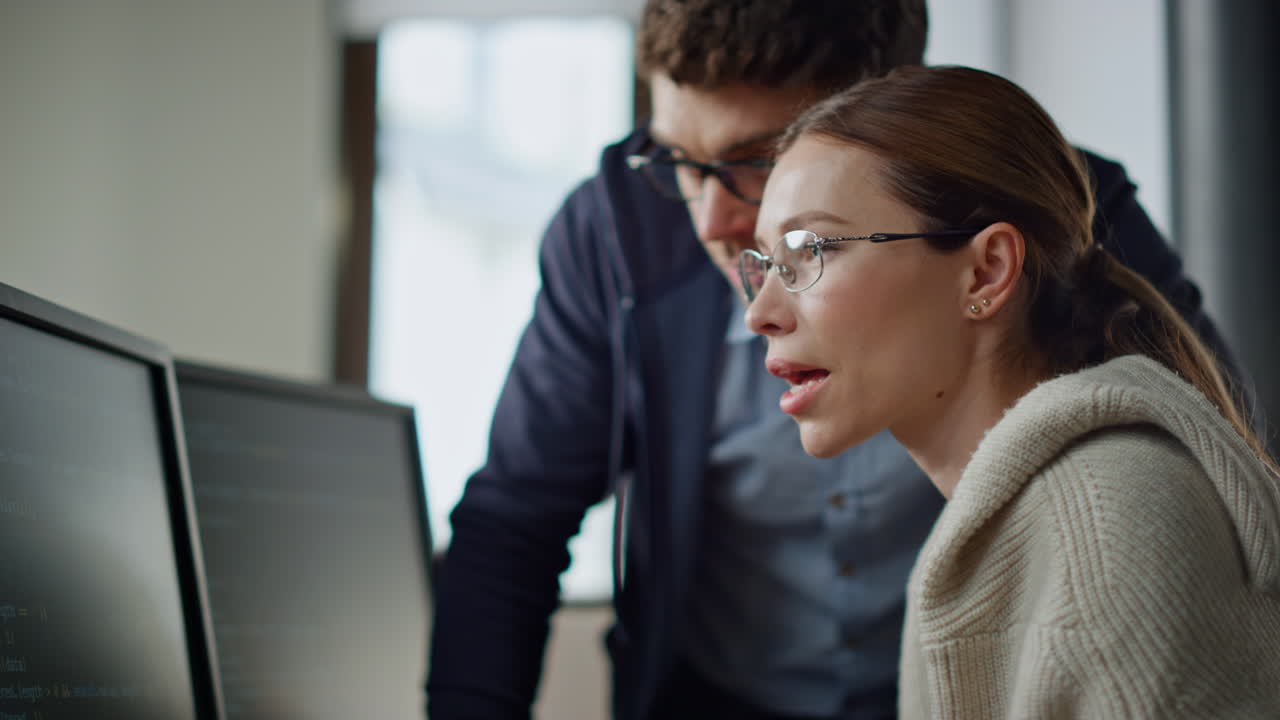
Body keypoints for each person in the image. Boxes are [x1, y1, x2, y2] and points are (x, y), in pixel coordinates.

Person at [426, 3, 1252, 719]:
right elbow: (515, 521)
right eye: (676, 160)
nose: (712, 222)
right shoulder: (616, 230)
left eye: (757, 160)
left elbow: (1214, 468)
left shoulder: (1060, 213)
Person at [741, 64, 1280, 718]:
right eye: (766, 263)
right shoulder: (993, 530)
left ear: (986, 271)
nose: (759, 313)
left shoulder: (1107, 536)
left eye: (810, 249)